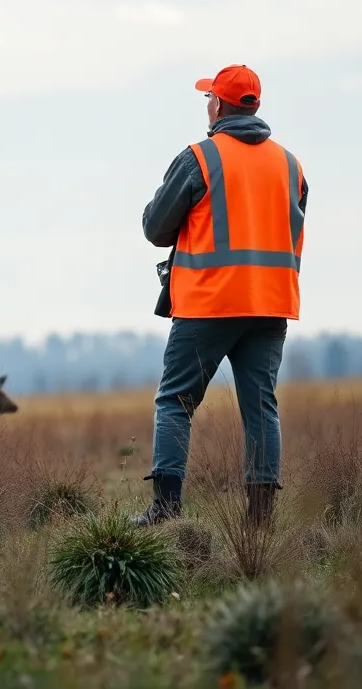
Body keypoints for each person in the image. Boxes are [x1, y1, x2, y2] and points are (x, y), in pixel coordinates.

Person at [135, 64, 308, 529]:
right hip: (270, 306)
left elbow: (156, 228)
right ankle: (260, 522)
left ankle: (166, 513)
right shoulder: (290, 165)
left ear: (220, 105)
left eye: (209, 97)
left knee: (175, 401)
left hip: (209, 304)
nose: (207, 104)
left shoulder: (199, 158)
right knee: (261, 407)